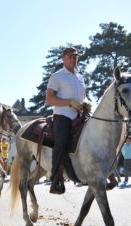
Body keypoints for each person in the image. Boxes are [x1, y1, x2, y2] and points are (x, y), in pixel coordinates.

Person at [45, 47, 85, 194]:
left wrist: (85, 103)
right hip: (63, 115)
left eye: (75, 57)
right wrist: (69, 102)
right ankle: (55, 178)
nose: (73, 59)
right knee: (61, 142)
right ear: (63, 58)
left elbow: (82, 96)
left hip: (80, 115)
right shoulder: (57, 76)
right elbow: (49, 99)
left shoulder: (80, 77)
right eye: (70, 57)